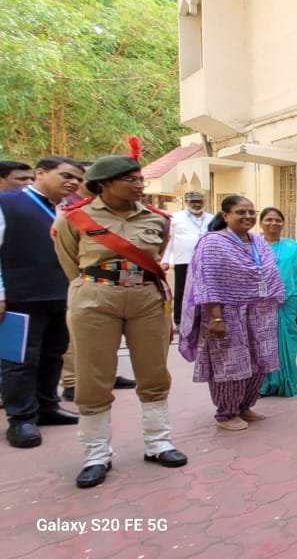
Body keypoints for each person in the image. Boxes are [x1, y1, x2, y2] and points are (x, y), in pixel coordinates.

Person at [51, 156, 188, 489]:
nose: (140, 185)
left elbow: (156, 257)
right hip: (95, 297)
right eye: (131, 179)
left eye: (141, 179)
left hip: (146, 297)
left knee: (154, 371)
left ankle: (158, 442)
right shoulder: (74, 218)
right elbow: (70, 263)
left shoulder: (158, 219)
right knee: (93, 375)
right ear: (105, 183)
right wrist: (98, 288)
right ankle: (96, 454)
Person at [179, 196, 285, 430]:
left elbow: (270, 274)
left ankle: (245, 406)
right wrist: (215, 318)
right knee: (230, 363)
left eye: (251, 212)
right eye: (241, 212)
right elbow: (207, 281)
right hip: (227, 313)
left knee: (259, 360)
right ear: (226, 216)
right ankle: (226, 413)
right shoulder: (213, 242)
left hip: (259, 312)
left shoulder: (259, 242)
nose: (248, 216)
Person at [0, 157, 83, 448]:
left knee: (53, 354)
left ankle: (47, 406)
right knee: (20, 359)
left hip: (60, 294)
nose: (73, 182)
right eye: (66, 176)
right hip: (20, 297)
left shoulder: (68, 210)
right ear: (40, 173)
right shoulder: (8, 203)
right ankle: (21, 419)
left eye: (78, 179)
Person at [57, 176, 137, 403]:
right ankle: (72, 382)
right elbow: (69, 257)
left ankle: (108, 375)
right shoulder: (72, 213)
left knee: (108, 345)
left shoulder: (141, 214)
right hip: (86, 288)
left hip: (130, 291)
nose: (74, 181)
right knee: (78, 344)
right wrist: (89, 282)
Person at [259, 207, 297, 397]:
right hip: (260, 304)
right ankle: (265, 384)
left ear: (283, 223)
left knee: (288, 341)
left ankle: (287, 382)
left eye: (278, 220)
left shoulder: (292, 247)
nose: (273, 223)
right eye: (269, 219)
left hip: (288, 300)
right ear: (261, 223)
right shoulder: (252, 246)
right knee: (263, 342)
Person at [162, 191, 212, 328]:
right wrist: (165, 260)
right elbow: (169, 240)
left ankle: (202, 320)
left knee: (205, 290)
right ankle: (179, 321)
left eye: (199, 202)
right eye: (193, 202)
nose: (196, 205)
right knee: (182, 291)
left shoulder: (211, 219)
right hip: (183, 260)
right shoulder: (175, 218)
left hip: (206, 261)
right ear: (186, 202)